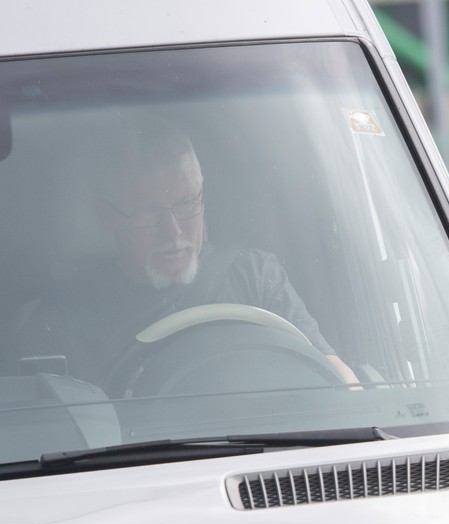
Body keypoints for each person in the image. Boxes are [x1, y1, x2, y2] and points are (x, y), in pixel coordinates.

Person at [8, 112, 359, 389]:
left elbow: (336, 379)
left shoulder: (255, 278)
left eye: (187, 203)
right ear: (108, 217)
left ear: (202, 192)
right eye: (149, 213)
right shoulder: (61, 322)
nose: (173, 230)